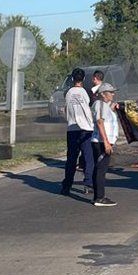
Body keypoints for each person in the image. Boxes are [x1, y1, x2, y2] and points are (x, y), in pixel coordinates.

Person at [59, 68, 96, 197]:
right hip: (85, 128)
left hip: (72, 128)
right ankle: (88, 183)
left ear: (72, 79)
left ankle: (66, 186)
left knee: (71, 159)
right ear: (84, 79)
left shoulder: (68, 93)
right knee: (88, 157)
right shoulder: (85, 93)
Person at [90, 82, 119, 207]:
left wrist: (111, 108)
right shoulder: (99, 104)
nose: (113, 94)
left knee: (101, 168)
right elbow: (100, 122)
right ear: (103, 94)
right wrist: (106, 142)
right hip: (101, 142)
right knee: (101, 169)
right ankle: (99, 197)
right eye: (110, 92)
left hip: (104, 141)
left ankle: (99, 196)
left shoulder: (104, 105)